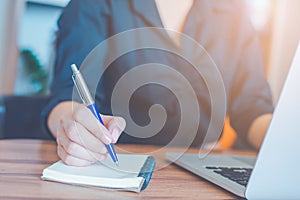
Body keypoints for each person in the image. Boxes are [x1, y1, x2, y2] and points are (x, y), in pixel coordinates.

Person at [42, 0, 274, 166]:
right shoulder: (97, 4)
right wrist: (71, 125)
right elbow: (68, 98)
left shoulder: (233, 11)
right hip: (118, 165)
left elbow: (252, 108)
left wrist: (286, 143)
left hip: (203, 170)